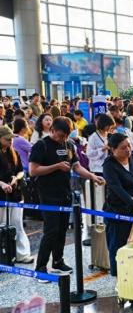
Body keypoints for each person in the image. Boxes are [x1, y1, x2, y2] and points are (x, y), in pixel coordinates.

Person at [30, 117, 105, 281]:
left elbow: (76, 166)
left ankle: (58, 261)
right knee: (51, 231)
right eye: (60, 135)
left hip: (65, 192)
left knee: (62, 229)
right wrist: (56, 166)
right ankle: (40, 268)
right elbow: (33, 170)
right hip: (48, 195)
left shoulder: (69, 145)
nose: (62, 139)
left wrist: (92, 176)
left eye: (65, 136)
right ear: (52, 130)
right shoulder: (41, 145)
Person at [102, 133, 133, 276]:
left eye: (129, 145)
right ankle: (118, 275)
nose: (128, 149)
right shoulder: (109, 165)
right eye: (123, 147)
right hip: (117, 209)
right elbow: (117, 188)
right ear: (113, 150)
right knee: (117, 245)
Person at [0, 126, 33, 264]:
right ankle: (4, 256)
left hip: (15, 194)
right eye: (7, 139)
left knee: (17, 224)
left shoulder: (14, 152)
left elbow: (20, 171)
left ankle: (22, 254)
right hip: (2, 196)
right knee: (2, 225)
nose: (10, 141)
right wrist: (2, 184)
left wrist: (16, 178)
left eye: (11, 139)